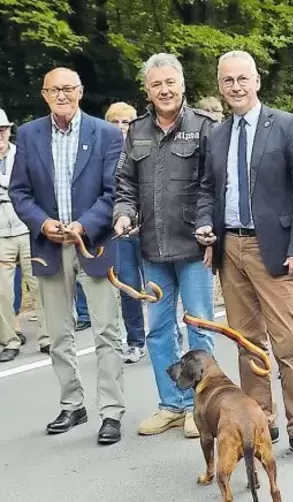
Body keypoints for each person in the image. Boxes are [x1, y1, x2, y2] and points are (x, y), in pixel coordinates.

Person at [195, 50, 293, 464]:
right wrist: (204, 225)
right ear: (220, 85)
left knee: (286, 346)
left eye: (242, 79)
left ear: (257, 81)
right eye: (228, 80)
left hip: (277, 249)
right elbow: (207, 190)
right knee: (248, 345)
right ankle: (261, 423)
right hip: (231, 248)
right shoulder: (216, 134)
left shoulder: (286, 125)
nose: (236, 87)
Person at [9, 67, 125, 444]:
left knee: (106, 330)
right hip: (47, 245)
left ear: (80, 92)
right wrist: (42, 223)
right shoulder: (28, 134)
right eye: (54, 90)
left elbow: (113, 191)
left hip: (92, 242)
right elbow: (19, 192)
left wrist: (83, 225)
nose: (62, 95)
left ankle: (111, 411)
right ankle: (72, 403)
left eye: (68, 89)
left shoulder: (106, 133)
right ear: (44, 94)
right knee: (59, 333)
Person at [113, 53, 217, 439]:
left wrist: (209, 228)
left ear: (183, 84)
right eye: (156, 84)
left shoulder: (204, 127)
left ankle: (200, 408)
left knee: (199, 328)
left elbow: (213, 185)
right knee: (158, 330)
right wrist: (122, 214)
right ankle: (172, 405)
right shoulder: (136, 130)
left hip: (192, 249)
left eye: (170, 82)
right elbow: (124, 185)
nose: (164, 90)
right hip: (152, 249)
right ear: (147, 90)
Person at [0, 108, 49, 361]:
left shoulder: (22, 153)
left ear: (9, 130)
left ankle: (47, 337)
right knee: (2, 292)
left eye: (2, 130)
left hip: (27, 229)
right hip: (0, 234)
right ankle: (9, 340)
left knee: (40, 284)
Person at [102, 102, 146, 364]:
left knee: (158, 285)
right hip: (121, 230)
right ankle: (135, 341)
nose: (121, 127)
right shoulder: (102, 153)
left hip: (148, 227)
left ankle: (170, 335)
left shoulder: (143, 147)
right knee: (129, 286)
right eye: (115, 122)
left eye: (126, 122)